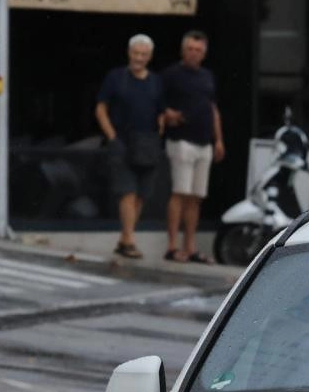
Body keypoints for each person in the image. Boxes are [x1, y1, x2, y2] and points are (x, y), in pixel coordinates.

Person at [94, 33, 166, 260]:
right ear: (129, 53)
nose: (139, 58)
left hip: (147, 145)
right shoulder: (116, 77)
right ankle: (129, 240)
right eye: (136, 53)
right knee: (127, 192)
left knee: (141, 195)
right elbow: (100, 108)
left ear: (150, 56)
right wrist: (112, 136)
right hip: (122, 143)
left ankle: (125, 238)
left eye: (144, 54)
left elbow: (161, 112)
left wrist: (159, 132)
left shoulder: (156, 81)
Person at [159, 29, 224, 263]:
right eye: (190, 49)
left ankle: (190, 247)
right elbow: (157, 104)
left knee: (196, 197)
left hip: (204, 142)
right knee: (180, 193)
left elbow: (212, 108)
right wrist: (168, 115)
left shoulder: (207, 76)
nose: (194, 53)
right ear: (182, 50)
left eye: (198, 50)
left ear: (204, 53)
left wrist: (219, 139)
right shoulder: (170, 75)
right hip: (181, 141)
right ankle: (172, 246)